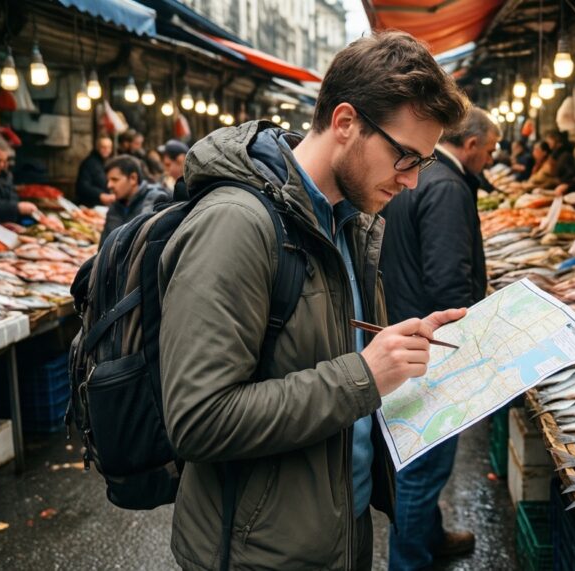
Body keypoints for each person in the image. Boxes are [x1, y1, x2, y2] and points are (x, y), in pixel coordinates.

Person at [157, 31, 468, 570]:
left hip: (336, 536)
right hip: (257, 553)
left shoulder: (349, 220)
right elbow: (198, 419)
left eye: (425, 161)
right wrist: (364, 376)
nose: (414, 182)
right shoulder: (236, 223)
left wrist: (398, 357)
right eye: (405, 157)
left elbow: (330, 361)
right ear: (346, 123)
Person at [380, 107, 499, 570]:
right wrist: (469, 348)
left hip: (406, 327)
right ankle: (409, 561)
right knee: (423, 468)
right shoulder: (447, 187)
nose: (489, 159)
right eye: (489, 150)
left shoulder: (421, 180)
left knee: (420, 459)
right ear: (469, 144)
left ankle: (431, 537)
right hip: (430, 347)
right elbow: (449, 280)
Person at [99, 156, 170, 242]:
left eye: (115, 180)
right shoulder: (114, 207)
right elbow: (103, 246)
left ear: (133, 178)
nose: (109, 185)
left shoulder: (156, 202)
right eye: (108, 180)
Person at [76, 135, 115, 207]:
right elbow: (82, 186)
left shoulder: (108, 162)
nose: (106, 150)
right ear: (97, 147)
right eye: (103, 147)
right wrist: (100, 195)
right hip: (90, 205)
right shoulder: (89, 163)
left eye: (109, 147)